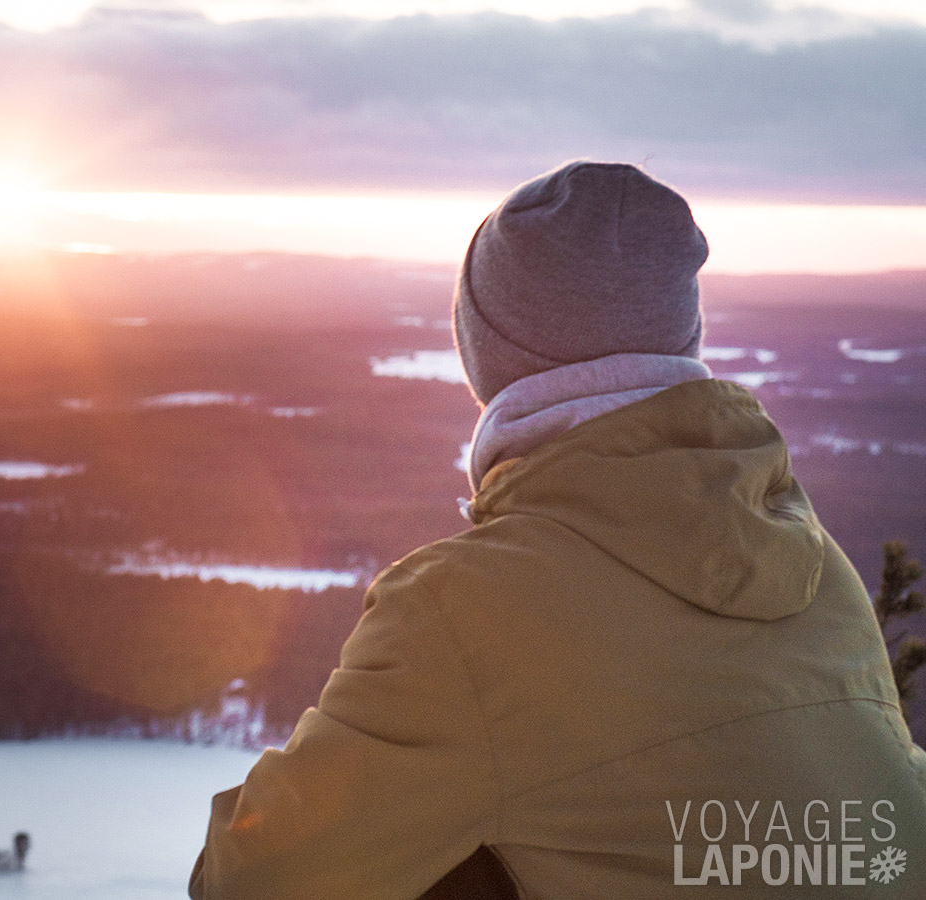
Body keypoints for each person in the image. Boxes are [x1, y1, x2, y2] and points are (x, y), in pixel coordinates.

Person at [188, 160, 926, 899]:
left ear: (489, 357)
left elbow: (250, 879)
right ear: (681, 340)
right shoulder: (813, 561)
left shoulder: (460, 611)